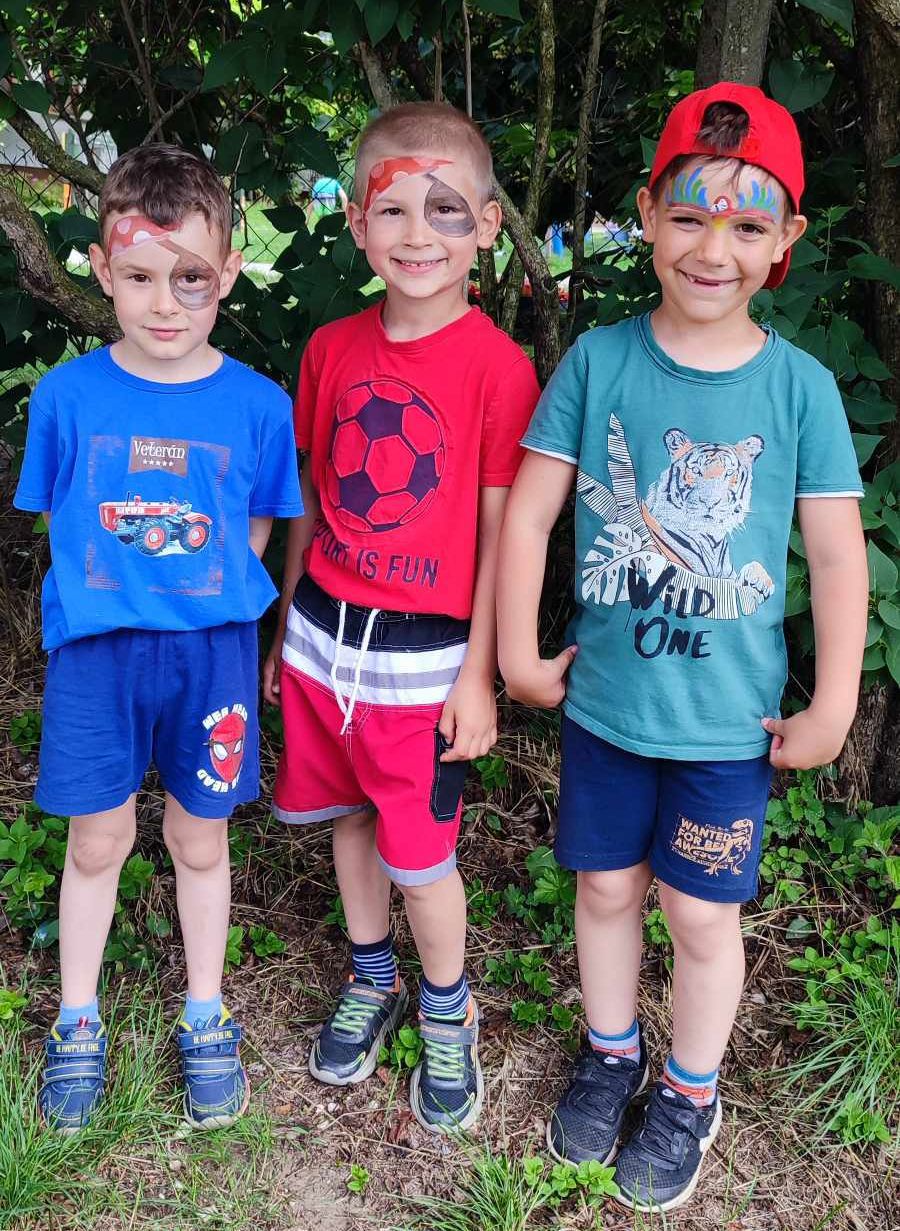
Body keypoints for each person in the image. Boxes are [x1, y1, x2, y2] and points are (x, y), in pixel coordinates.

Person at [497, 82, 867, 1211]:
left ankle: (691, 1090)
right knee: (607, 888)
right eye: (692, 217)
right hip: (608, 707)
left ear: (786, 239)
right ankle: (612, 1053)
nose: (715, 249)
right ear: (649, 213)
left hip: (725, 727)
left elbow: (837, 557)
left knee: (700, 914)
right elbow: (530, 514)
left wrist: (835, 703)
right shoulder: (599, 362)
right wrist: (517, 652)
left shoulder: (799, 389)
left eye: (747, 225)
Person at [14, 144, 303, 1133]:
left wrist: (195, 593)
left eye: (191, 278)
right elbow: (61, 519)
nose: (165, 303)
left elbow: (256, 526)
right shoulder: (67, 398)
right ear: (102, 269)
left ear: (228, 272)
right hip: (98, 657)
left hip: (211, 656)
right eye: (139, 276)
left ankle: (205, 1012)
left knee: (198, 836)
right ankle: (78, 1018)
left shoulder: (259, 405)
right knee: (97, 840)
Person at [265, 102, 540, 1132]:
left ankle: (447, 1005)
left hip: (426, 665)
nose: (418, 234)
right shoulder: (331, 347)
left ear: (488, 225)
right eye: (392, 209)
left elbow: (502, 529)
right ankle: (372, 975)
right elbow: (309, 493)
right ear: (354, 221)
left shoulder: (499, 369)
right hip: (323, 641)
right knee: (348, 820)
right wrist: (286, 626)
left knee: (422, 858)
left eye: (445, 210)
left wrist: (479, 672)